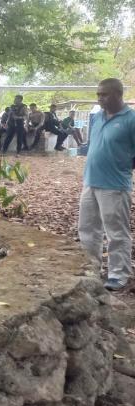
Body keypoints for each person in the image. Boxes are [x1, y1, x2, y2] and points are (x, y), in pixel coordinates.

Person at [78, 78, 135, 291]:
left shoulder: (131, 119)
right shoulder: (98, 117)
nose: (100, 99)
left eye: (104, 94)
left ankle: (118, 274)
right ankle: (90, 269)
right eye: (98, 94)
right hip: (90, 181)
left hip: (115, 186)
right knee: (87, 229)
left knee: (116, 232)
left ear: (118, 94)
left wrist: (123, 168)